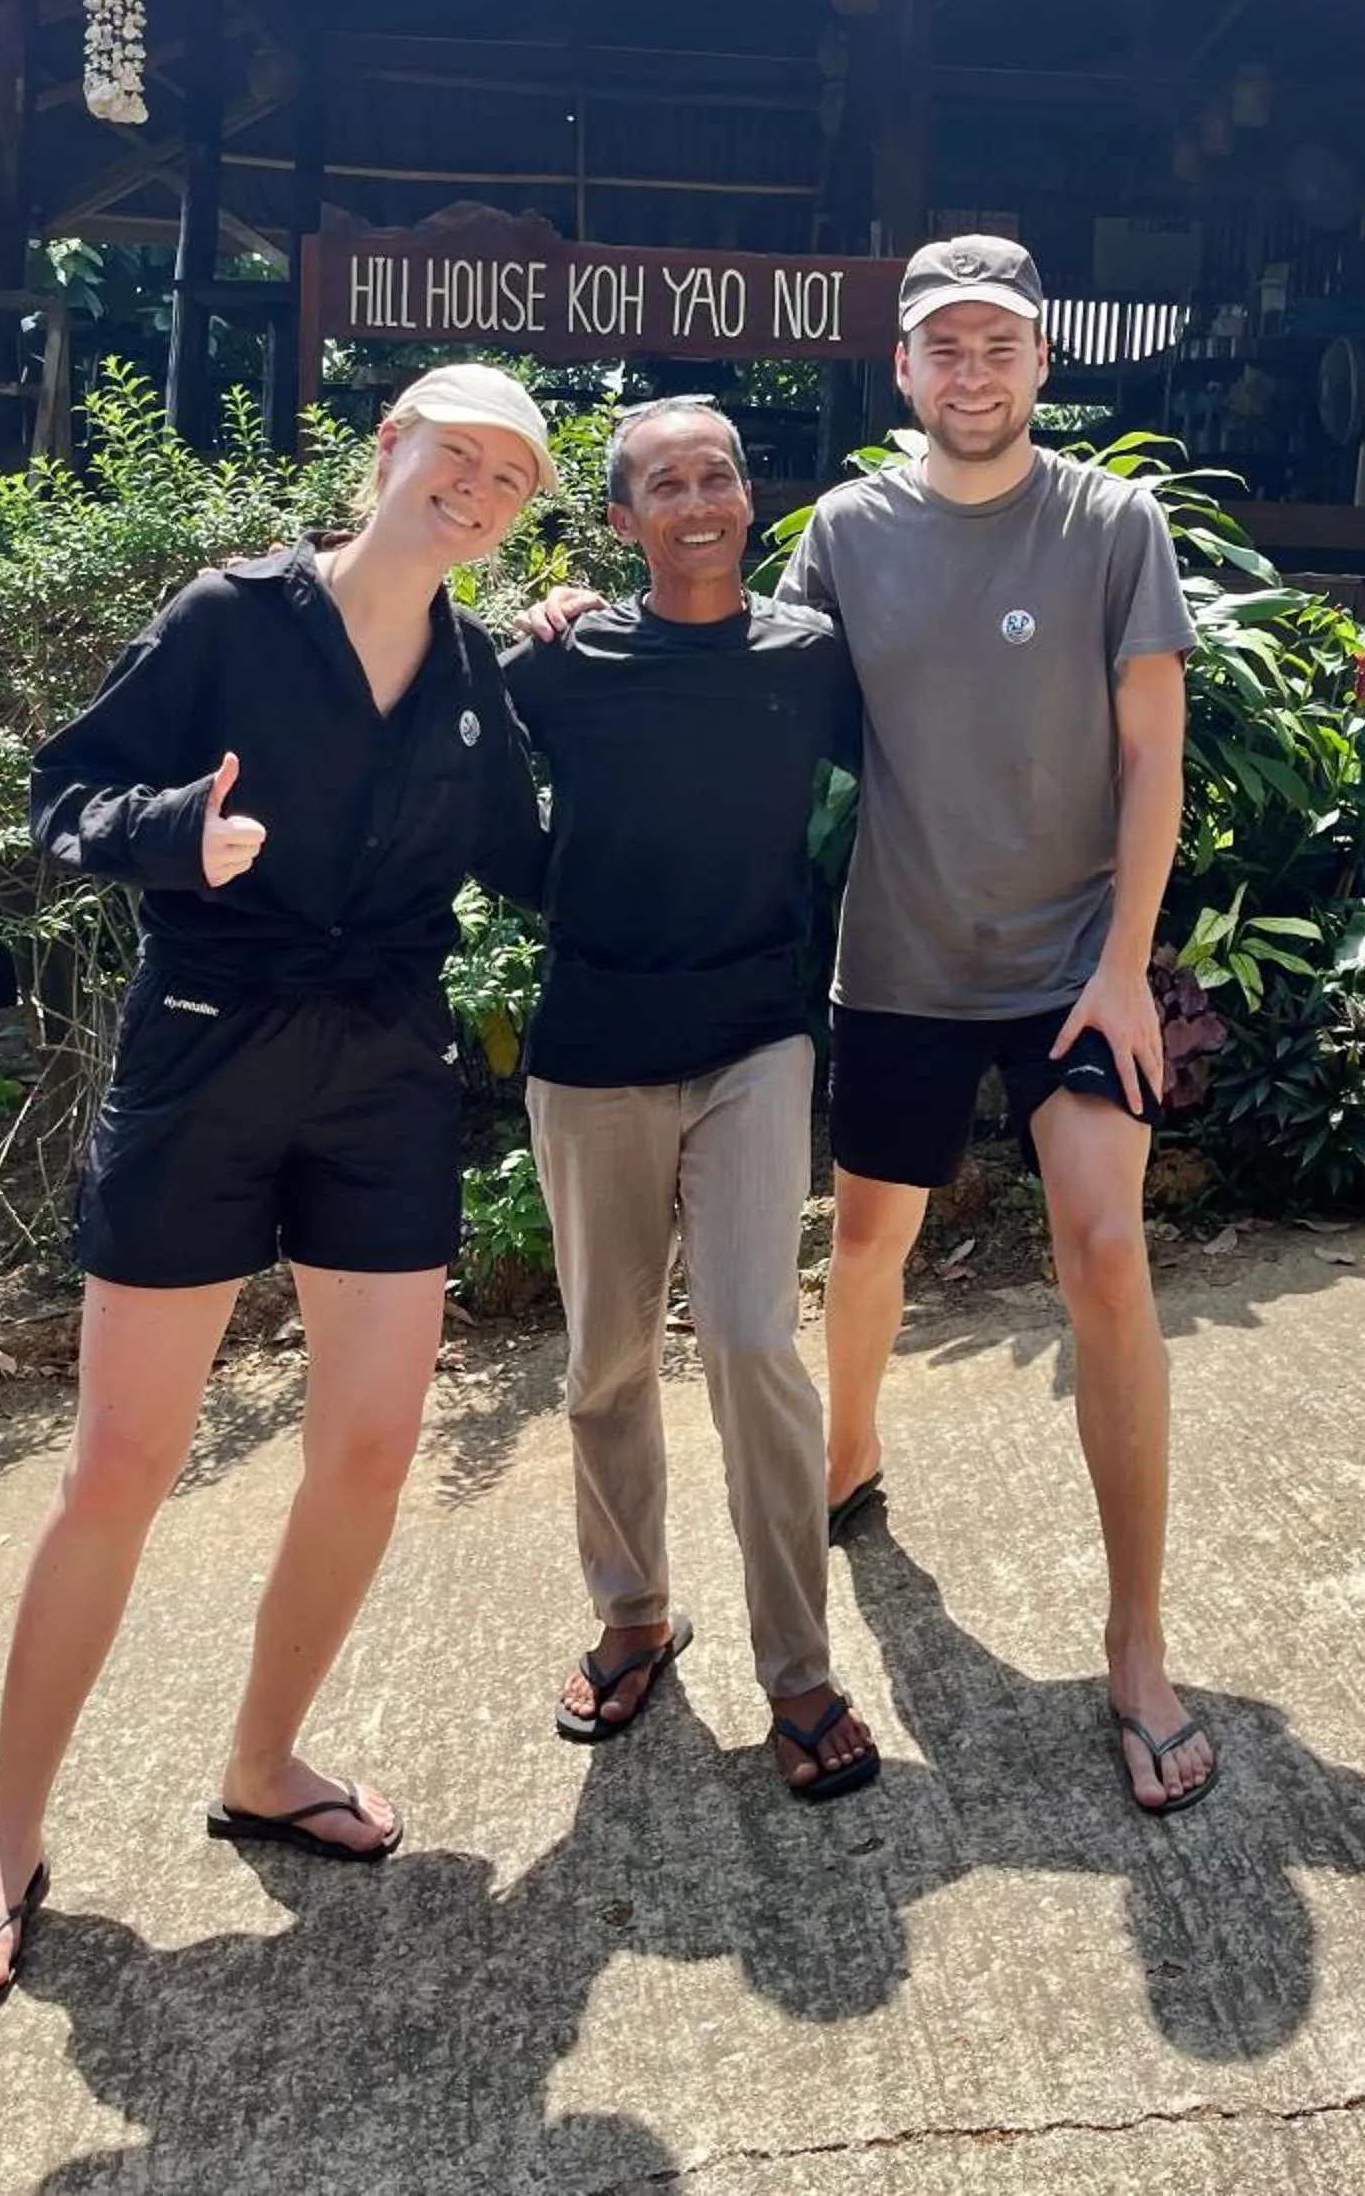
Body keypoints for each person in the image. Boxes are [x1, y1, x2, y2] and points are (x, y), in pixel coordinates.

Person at [0, 364, 552, 2018]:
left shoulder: (474, 674)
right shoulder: (230, 618)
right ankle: (6, 1835)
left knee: (372, 1445)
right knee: (121, 1463)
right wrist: (169, 836)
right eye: (458, 456)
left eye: (511, 480)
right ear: (387, 450)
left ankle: (265, 1765)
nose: (478, 491)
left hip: (383, 1073)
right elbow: (61, 798)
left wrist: (602, 689)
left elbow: (528, 861)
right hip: (205, 1054)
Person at [782, 235, 1216, 1818]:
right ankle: (847, 1450)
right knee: (867, 1245)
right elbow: (760, 694)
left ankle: (1135, 1637)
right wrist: (589, 629)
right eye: (943, 348)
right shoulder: (843, 533)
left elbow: (1152, 753)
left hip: (1072, 964)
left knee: (1104, 1256)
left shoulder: (1109, 523)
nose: (971, 373)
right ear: (901, 368)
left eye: (998, 346)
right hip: (899, 952)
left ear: (1041, 361)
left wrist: (1125, 966)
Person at [501, 400, 880, 1804]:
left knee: (750, 1339)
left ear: (747, 498)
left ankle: (798, 1667)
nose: (699, 500)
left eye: (717, 475)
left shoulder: (807, 655)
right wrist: (551, 886)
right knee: (604, 1358)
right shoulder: (569, 660)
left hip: (751, 1038)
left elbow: (919, 768)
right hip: (593, 1044)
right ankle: (633, 1615)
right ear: (622, 521)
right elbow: (455, 758)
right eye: (665, 484)